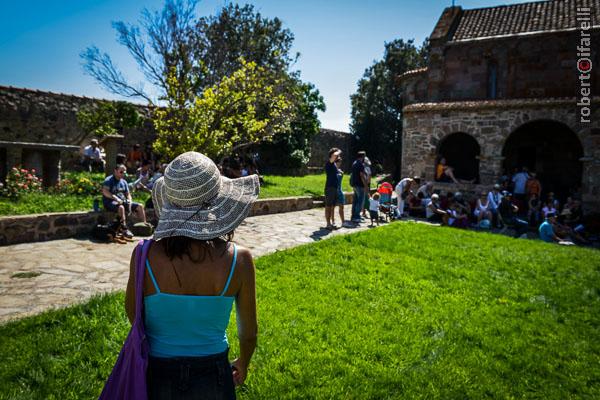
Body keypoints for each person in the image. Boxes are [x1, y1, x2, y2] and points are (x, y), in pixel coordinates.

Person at [125, 152, 259, 399]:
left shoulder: (144, 255)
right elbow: (248, 332)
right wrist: (243, 361)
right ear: (218, 200)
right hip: (214, 374)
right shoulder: (240, 259)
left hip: (156, 373)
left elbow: (134, 315)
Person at [102, 164, 146, 238]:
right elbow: (105, 191)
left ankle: (144, 227)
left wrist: (129, 201)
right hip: (110, 202)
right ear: (115, 171)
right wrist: (115, 198)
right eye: (121, 172)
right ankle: (124, 229)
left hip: (123, 201)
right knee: (121, 208)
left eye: (124, 172)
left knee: (140, 206)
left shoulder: (124, 182)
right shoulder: (108, 180)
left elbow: (128, 194)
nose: (123, 174)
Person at [324, 148, 342, 230]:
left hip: (334, 187)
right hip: (330, 187)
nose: (338, 156)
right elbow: (334, 155)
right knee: (328, 206)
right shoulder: (329, 163)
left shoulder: (334, 164)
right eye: (337, 155)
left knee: (332, 206)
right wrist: (339, 151)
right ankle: (328, 224)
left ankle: (332, 222)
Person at [350, 151, 368, 223]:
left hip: (354, 184)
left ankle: (353, 216)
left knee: (355, 201)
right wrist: (366, 185)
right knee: (360, 201)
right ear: (362, 157)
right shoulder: (360, 164)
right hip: (360, 185)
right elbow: (361, 175)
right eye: (364, 157)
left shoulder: (354, 163)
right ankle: (357, 216)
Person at [333, 157, 346, 227]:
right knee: (333, 207)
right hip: (334, 190)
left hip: (340, 190)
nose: (339, 163)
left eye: (340, 162)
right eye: (338, 162)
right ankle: (333, 221)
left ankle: (343, 221)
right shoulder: (332, 170)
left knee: (342, 206)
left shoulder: (340, 171)